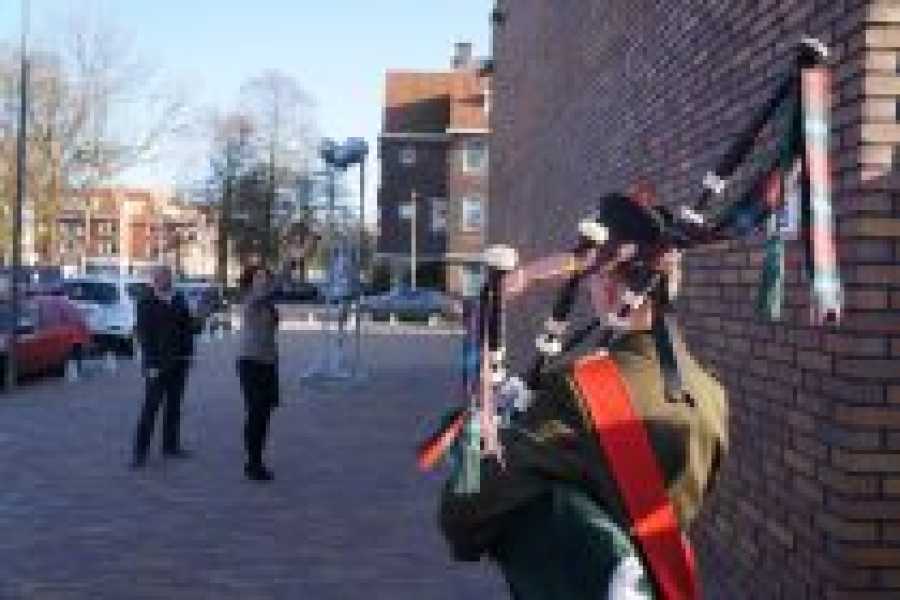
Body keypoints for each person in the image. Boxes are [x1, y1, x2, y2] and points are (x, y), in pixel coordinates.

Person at [438, 196, 728, 599]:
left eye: (593, 279)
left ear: (610, 289)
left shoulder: (575, 393)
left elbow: (465, 515)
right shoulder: (712, 391)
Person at [131, 266, 202, 468]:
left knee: (174, 406)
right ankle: (139, 452)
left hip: (180, 361)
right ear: (153, 280)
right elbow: (144, 335)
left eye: (167, 277)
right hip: (157, 364)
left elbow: (188, 328)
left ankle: (170, 446)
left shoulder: (179, 299)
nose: (164, 280)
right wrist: (150, 364)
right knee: (151, 408)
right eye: (160, 277)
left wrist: (190, 351)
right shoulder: (146, 302)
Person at [236, 261, 294, 482]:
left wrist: (298, 259)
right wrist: (289, 262)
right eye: (259, 277)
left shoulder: (268, 303)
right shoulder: (250, 298)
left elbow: (283, 287)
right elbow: (276, 286)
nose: (264, 280)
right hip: (249, 362)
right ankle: (252, 462)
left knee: (266, 412)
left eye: (265, 277)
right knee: (256, 411)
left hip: (268, 363)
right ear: (251, 281)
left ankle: (257, 457)